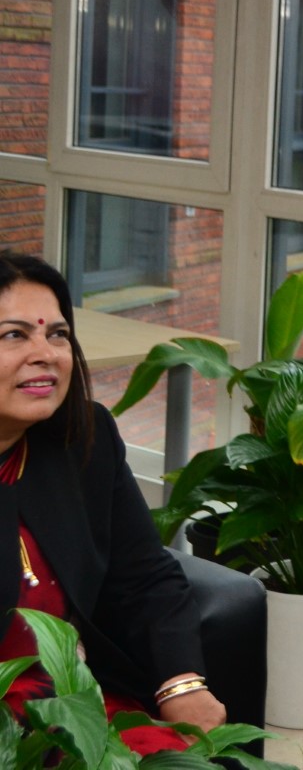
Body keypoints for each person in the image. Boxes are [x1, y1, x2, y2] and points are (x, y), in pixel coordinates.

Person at [0, 252, 226, 752]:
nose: (46, 354)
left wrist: (182, 683)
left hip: (82, 704)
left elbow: (144, 576)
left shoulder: (84, 439)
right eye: (14, 335)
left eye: (58, 334)